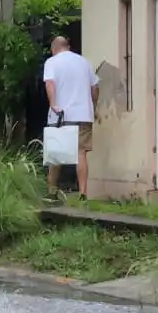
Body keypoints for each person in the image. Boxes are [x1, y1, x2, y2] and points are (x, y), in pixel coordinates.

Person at [42, 36, 99, 199]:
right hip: (83, 114)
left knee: (55, 154)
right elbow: (95, 88)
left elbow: (50, 84)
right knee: (81, 153)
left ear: (54, 49)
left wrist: (53, 103)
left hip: (60, 115)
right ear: (68, 46)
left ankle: (52, 192)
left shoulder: (51, 62)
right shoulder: (84, 62)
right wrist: (93, 107)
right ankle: (83, 193)